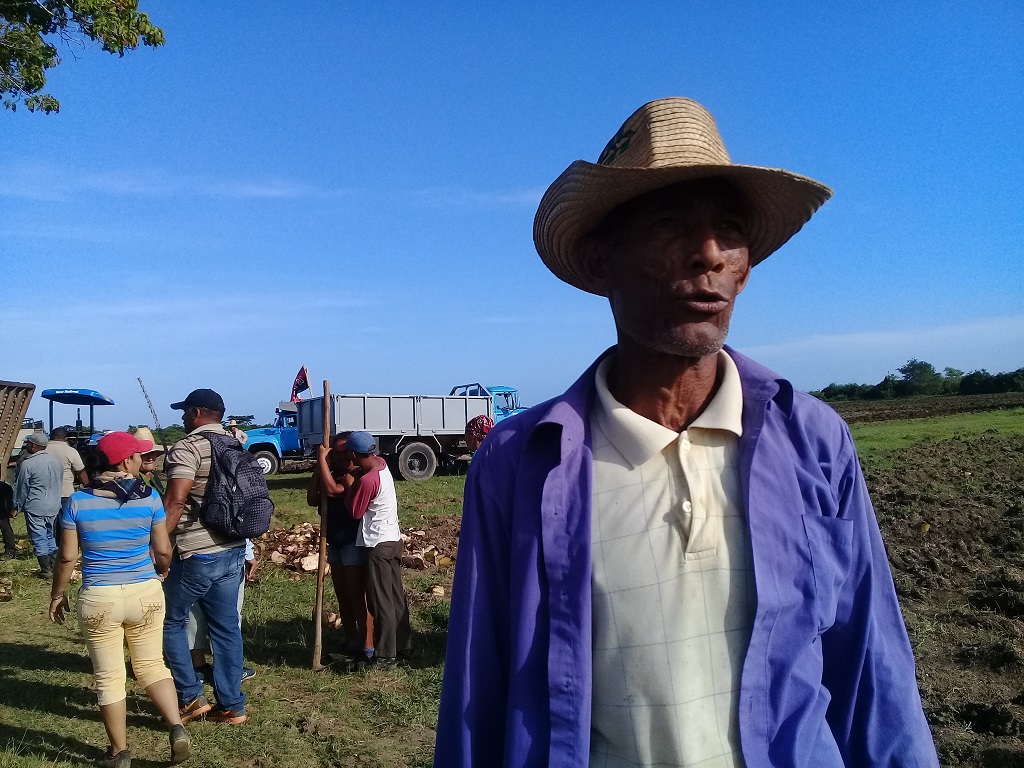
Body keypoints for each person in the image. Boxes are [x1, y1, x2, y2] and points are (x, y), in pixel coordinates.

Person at [435, 98, 939, 767]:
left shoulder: (815, 443)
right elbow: (479, 692)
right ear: (598, 264)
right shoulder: (521, 463)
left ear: (747, 267)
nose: (708, 254)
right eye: (669, 224)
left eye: (729, 230)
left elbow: (872, 676)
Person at [48, 431, 191, 767]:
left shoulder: (78, 503)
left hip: (100, 597)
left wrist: (57, 594)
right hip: (145, 591)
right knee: (153, 665)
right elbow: (164, 549)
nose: (143, 460)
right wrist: (163, 570)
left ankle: (119, 753)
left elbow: (67, 557)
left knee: (109, 676)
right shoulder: (150, 498)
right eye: (139, 456)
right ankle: (176, 726)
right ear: (126, 461)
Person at [162, 388, 248, 725]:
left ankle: (189, 697)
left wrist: (160, 546)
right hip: (233, 549)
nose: (182, 417)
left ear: (197, 412)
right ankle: (232, 706)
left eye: (185, 411)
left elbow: (176, 501)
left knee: (171, 621)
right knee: (227, 628)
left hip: (196, 552)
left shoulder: (188, 448)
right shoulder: (235, 445)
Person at [345, 431, 411, 667]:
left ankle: (385, 655)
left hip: (377, 545)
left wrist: (349, 485)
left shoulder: (367, 481)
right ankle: (403, 645)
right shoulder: (382, 466)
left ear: (353, 454)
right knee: (395, 597)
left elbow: (354, 512)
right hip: (393, 540)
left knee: (380, 601)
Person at [309, 431, 374, 663]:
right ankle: (351, 639)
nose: (341, 457)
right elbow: (313, 498)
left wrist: (321, 463)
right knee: (343, 595)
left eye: (345, 452)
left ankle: (367, 645)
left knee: (358, 596)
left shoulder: (355, 475)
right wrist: (322, 466)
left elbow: (332, 491)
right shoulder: (333, 472)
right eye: (336, 452)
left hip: (353, 541)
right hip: (335, 542)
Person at [13, 432, 64, 578]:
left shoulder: (28, 464)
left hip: (36, 505)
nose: (26, 445)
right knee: (50, 536)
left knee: (38, 537)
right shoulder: (56, 462)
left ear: (34, 446)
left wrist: (17, 506)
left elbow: (22, 488)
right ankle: (54, 567)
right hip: (54, 505)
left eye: (28, 443)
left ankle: (46, 570)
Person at [46, 427, 90, 511]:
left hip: (45, 493)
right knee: (64, 521)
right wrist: (88, 487)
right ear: (66, 438)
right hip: (65, 492)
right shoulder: (71, 451)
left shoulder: (43, 449)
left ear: (51, 436)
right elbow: (80, 472)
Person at [133, 427, 166, 497]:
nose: (150, 458)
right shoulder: (133, 481)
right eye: (145, 454)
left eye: (153, 453)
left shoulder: (153, 476)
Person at [0, 478, 16, 559]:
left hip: (2, 511)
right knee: (5, 526)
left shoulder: (5, 487)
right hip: (4, 510)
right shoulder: (6, 487)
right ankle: (10, 550)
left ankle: (10, 550)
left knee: (5, 526)